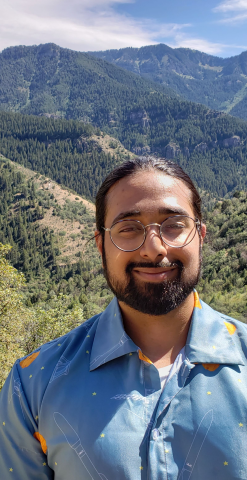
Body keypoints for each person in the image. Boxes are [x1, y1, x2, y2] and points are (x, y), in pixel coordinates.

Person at [0, 156, 246, 480]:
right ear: (101, 245)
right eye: (129, 229)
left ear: (200, 236)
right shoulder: (32, 386)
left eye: (173, 225)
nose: (154, 248)